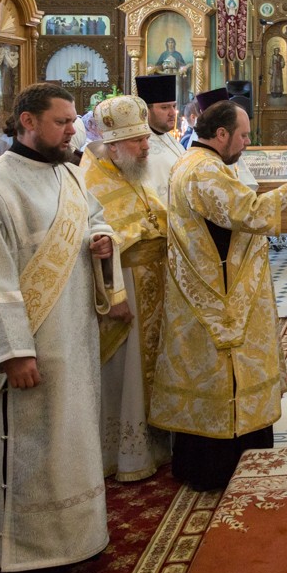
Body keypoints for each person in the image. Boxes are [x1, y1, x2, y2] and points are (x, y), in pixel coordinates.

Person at [0, 83, 121, 573]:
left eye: (73, 121)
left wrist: (102, 241)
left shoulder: (70, 174)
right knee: (27, 451)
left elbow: (95, 221)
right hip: (27, 350)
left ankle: (75, 540)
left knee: (68, 445)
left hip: (72, 340)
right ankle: (22, 561)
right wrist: (12, 353)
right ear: (27, 122)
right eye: (62, 122)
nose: (73, 130)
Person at [151, 100, 287, 491]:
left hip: (208, 291)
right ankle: (224, 466)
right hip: (218, 299)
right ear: (221, 134)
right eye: (242, 135)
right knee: (224, 379)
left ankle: (207, 462)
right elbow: (248, 213)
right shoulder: (204, 170)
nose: (246, 142)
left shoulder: (193, 163)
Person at [81, 95, 172, 482]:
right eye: (138, 141)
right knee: (128, 373)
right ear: (114, 145)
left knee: (152, 367)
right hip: (125, 292)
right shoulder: (90, 180)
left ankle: (156, 446)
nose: (146, 146)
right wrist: (114, 296)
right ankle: (125, 455)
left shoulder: (132, 172)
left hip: (154, 284)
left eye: (146, 138)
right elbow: (91, 243)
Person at [136, 74, 185, 201]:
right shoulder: (140, 148)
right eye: (164, 107)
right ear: (146, 111)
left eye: (174, 106)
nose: (172, 113)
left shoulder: (173, 141)